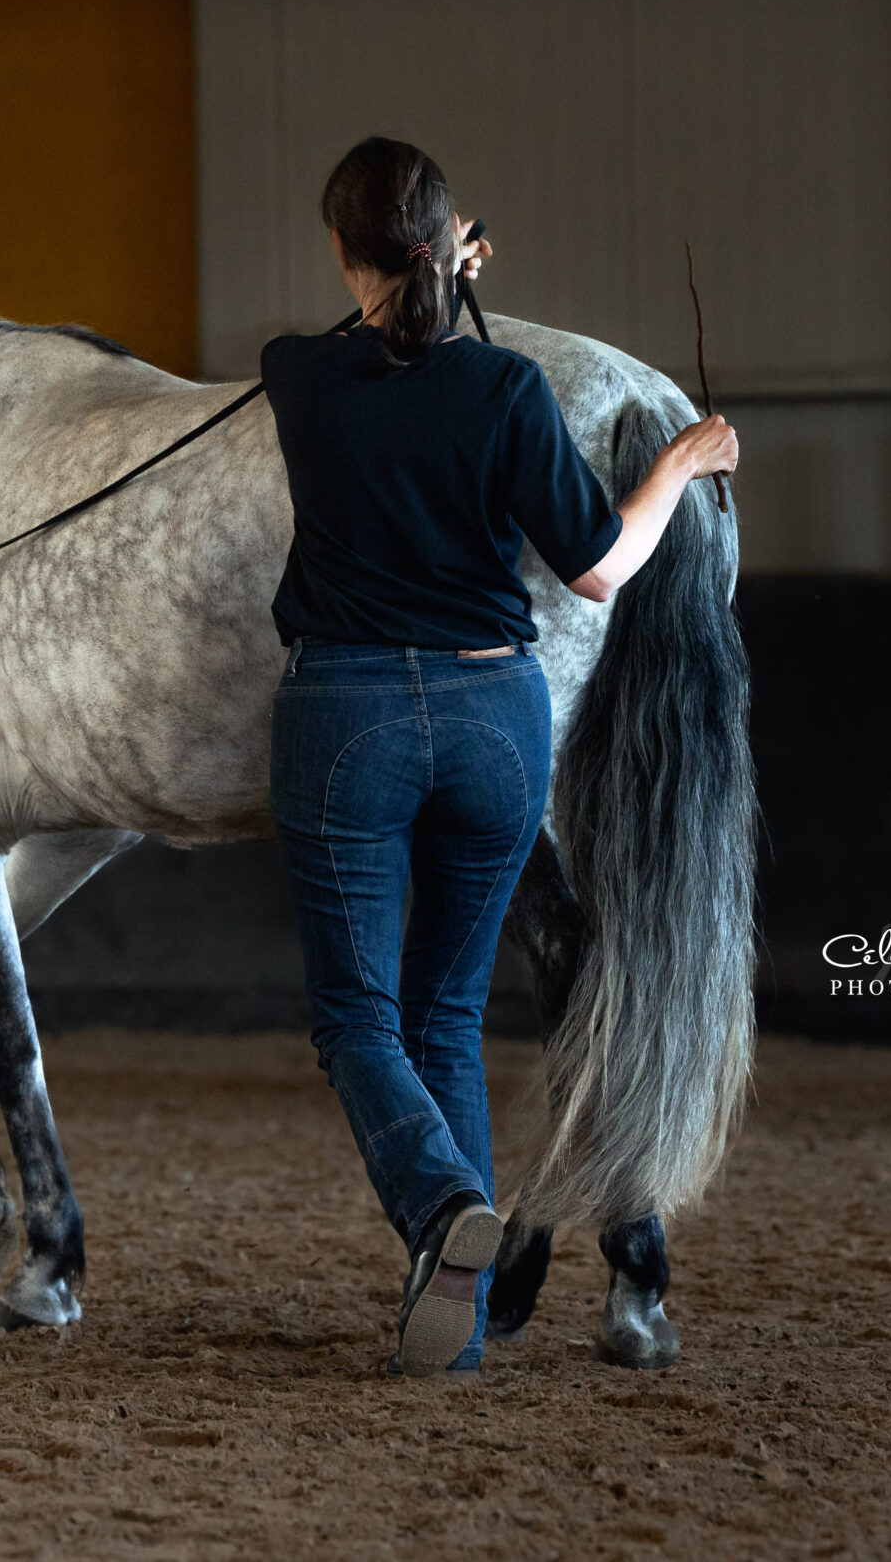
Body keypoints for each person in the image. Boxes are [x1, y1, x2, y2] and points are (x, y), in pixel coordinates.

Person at [263, 137, 739, 1377]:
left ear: (339, 252)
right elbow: (596, 566)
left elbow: (364, 339)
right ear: (447, 243)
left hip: (346, 715)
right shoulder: (510, 392)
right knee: (448, 1010)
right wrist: (681, 464)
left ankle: (438, 1215)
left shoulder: (296, 378)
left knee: (354, 1016)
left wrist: (430, 270)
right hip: (494, 720)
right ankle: (458, 1318)